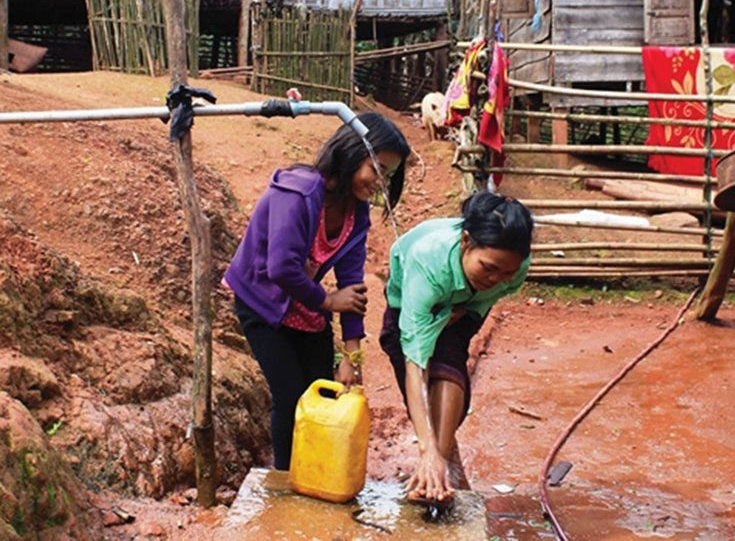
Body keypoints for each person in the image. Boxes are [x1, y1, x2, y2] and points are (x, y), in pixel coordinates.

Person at [223, 113, 411, 470]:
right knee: (292, 396)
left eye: (389, 176)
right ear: (352, 151)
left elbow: (351, 287)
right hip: (261, 301)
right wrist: (326, 300)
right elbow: (280, 267)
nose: (381, 182)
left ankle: (316, 473)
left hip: (302, 301)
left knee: (323, 391)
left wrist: (352, 358)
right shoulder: (299, 192)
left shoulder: (356, 213)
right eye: (378, 169)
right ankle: (286, 479)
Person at [379, 192, 533, 504]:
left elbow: (493, 292)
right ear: (465, 242)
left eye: (507, 273)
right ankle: (436, 463)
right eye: (488, 267)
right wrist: (427, 451)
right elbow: (416, 364)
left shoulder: (516, 266)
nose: (497, 278)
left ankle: (441, 466)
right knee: (422, 390)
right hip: (413, 303)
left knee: (449, 367)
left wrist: (465, 311)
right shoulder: (427, 263)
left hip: (465, 306)